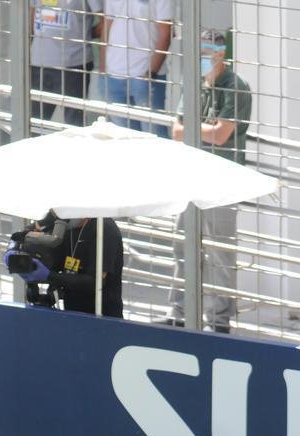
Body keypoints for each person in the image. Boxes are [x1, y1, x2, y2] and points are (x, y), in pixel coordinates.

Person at [162, 29, 252, 334]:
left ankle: (218, 322)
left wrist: (196, 129)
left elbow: (221, 135)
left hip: (222, 181)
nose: (202, 58)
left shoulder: (235, 86)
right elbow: (175, 131)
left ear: (220, 53)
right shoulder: (195, 84)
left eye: (207, 52)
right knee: (182, 247)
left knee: (219, 253)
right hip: (191, 177)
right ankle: (179, 313)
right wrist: (206, 129)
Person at [100, 0, 172, 137]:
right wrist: (103, 71)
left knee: (154, 139)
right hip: (113, 76)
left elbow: (166, 33)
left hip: (144, 76)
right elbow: (107, 25)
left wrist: (151, 73)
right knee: (122, 139)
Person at [35, 212, 125, 318]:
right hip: (72, 310)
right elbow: (59, 264)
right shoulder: (68, 230)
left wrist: (50, 276)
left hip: (103, 313)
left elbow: (96, 281)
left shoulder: (104, 229)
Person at [31, 0, 101, 127]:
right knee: (34, 123)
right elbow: (32, 12)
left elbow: (106, 21)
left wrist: (84, 35)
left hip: (74, 65)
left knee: (74, 126)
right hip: (39, 63)